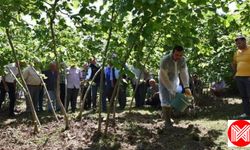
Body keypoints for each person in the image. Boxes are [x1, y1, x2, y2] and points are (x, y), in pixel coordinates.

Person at [159, 45, 192, 128]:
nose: (178, 57)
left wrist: (186, 87)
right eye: (177, 55)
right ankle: (167, 121)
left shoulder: (182, 60)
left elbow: (184, 73)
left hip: (174, 79)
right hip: (164, 80)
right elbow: (163, 75)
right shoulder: (165, 60)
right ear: (172, 53)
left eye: (180, 55)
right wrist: (170, 88)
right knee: (165, 99)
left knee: (172, 99)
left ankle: (167, 117)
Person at [232, 35, 250, 119]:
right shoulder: (237, 52)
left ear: (244, 41)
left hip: (248, 77)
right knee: (244, 96)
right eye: (236, 44)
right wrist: (235, 73)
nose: (237, 45)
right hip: (239, 77)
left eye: (239, 43)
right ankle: (247, 113)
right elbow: (234, 63)